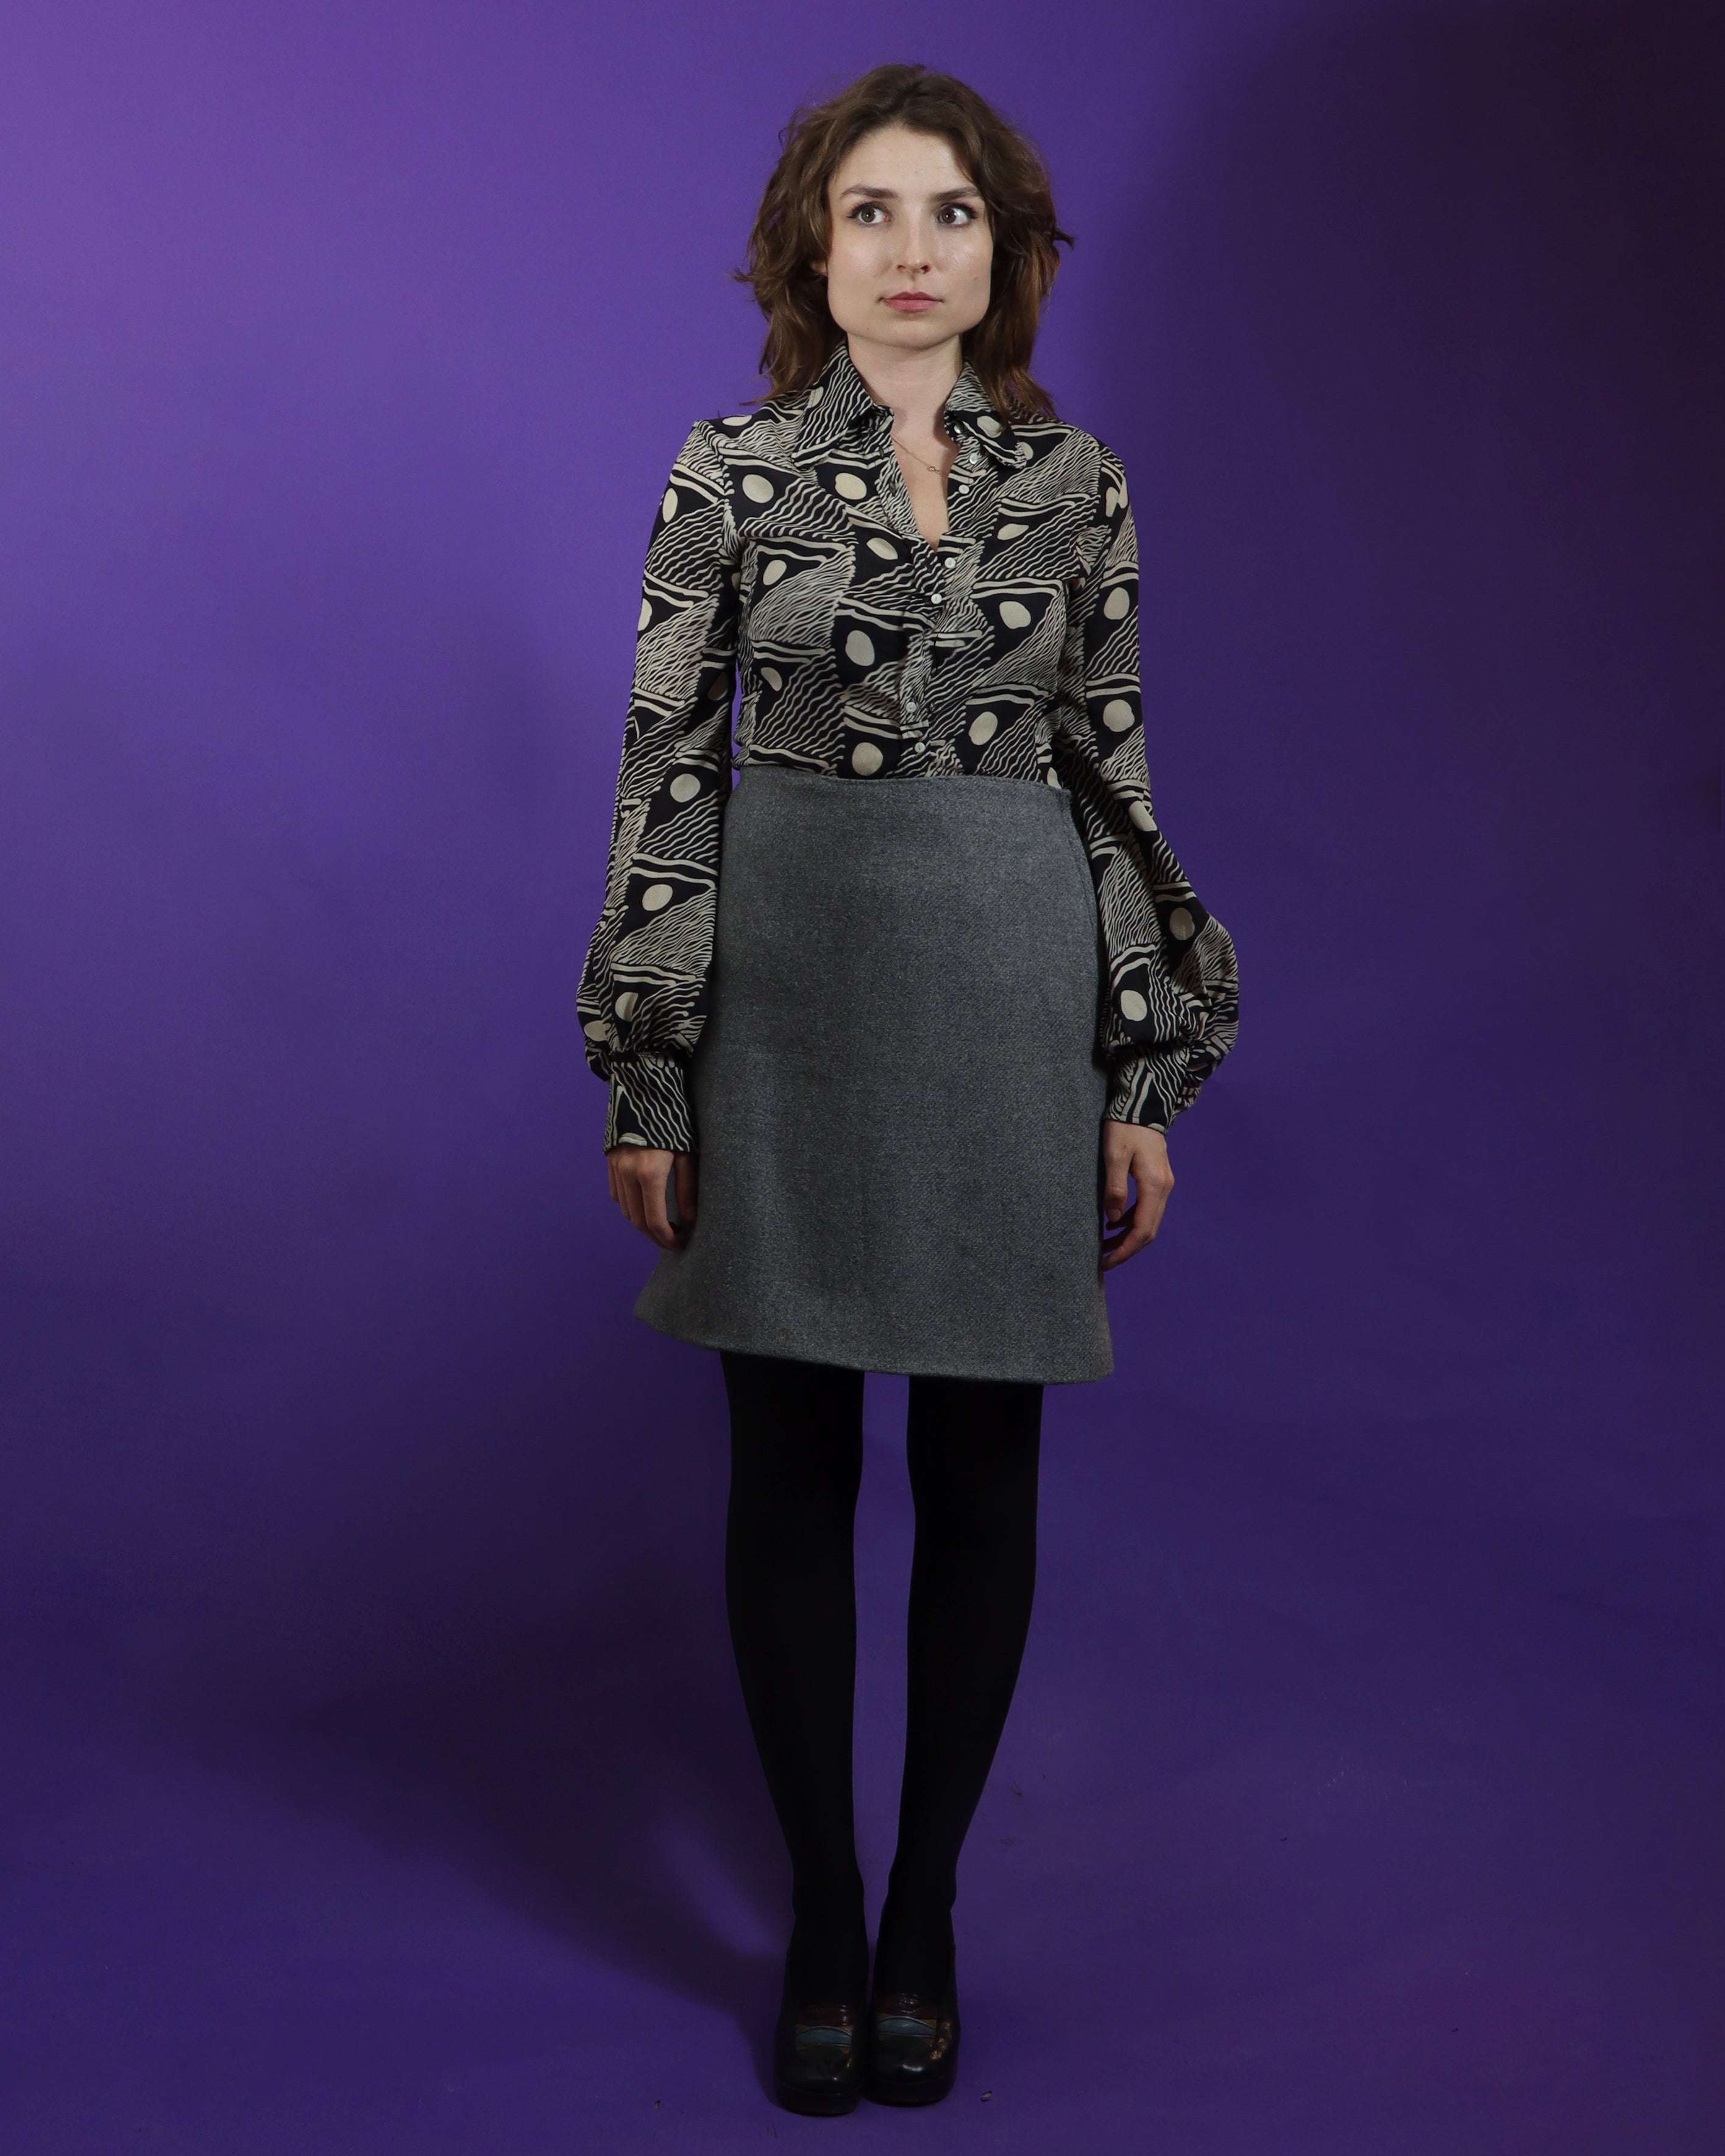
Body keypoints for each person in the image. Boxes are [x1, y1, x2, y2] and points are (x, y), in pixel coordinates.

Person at [578, 62, 1239, 2115]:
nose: (910, 250)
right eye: (870, 210)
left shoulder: (1080, 485)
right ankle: (822, 1909)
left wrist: (1138, 1070)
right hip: (783, 998)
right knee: (787, 1464)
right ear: (812, 244)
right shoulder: (727, 471)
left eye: (950, 212)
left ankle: (929, 1911)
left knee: (981, 1467)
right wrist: (652, 1067)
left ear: (1007, 252)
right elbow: (666, 778)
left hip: (1008, 995)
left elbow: (1110, 782)